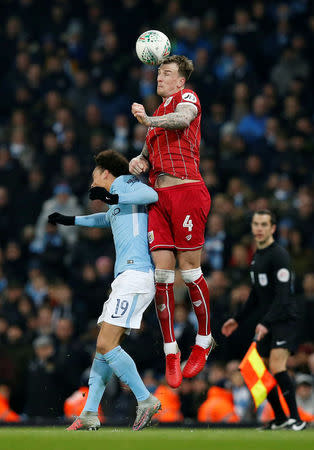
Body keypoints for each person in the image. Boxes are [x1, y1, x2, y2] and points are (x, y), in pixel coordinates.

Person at [48, 149, 161, 431]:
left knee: (105, 344)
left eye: (94, 177)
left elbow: (152, 196)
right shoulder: (117, 202)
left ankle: (145, 398)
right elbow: (106, 218)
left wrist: (112, 197)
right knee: (103, 350)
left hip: (135, 274)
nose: (91, 183)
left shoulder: (126, 184)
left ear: (106, 174)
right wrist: (70, 220)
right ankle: (89, 412)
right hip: (126, 278)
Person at [129, 55, 215, 389]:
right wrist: (138, 161)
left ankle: (204, 339)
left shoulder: (186, 98)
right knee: (162, 273)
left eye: (167, 74)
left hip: (187, 191)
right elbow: (147, 155)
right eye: (159, 73)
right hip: (157, 198)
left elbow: (183, 119)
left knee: (190, 271)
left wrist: (149, 119)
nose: (160, 78)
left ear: (181, 81)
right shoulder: (155, 123)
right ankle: (170, 349)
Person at [221, 210, 306, 431]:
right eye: (256, 224)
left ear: (273, 229)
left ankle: (296, 419)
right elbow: (256, 296)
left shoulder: (279, 255)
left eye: (264, 224)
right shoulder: (257, 257)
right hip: (269, 321)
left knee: (277, 366)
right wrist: (237, 319)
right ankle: (279, 419)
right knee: (254, 369)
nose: (259, 228)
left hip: (285, 319)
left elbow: (283, 295)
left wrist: (266, 322)